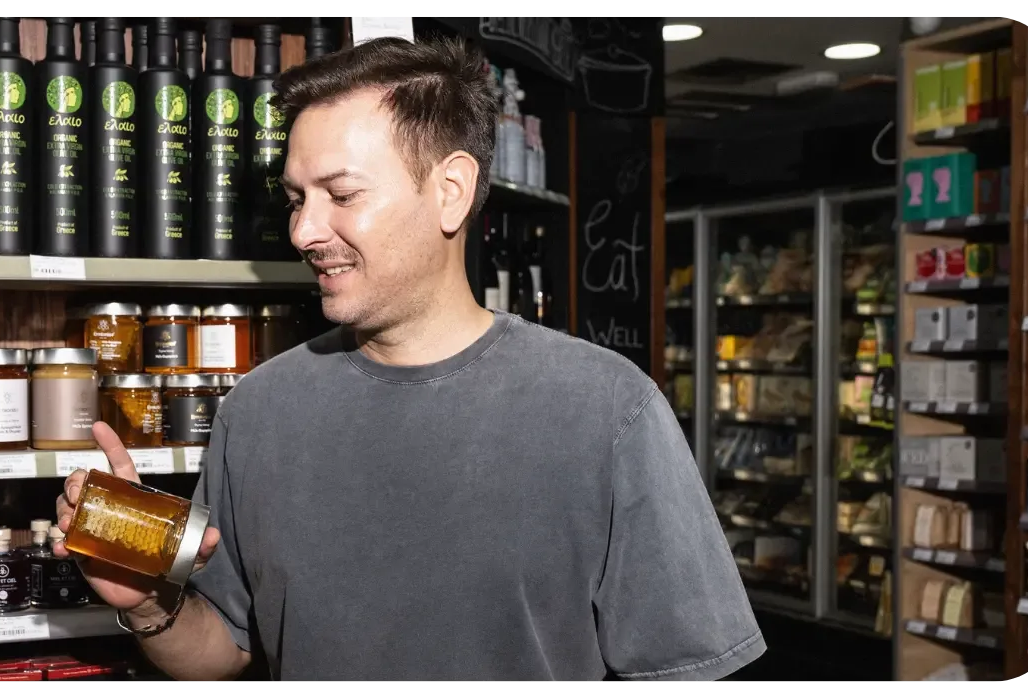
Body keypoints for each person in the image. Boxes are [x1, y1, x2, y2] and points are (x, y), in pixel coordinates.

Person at [57, 35, 763, 687]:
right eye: (297, 198)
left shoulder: (606, 410)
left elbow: (681, 673)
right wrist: (150, 601)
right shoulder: (260, 411)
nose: (304, 230)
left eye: (342, 194)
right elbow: (222, 654)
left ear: (450, 190)